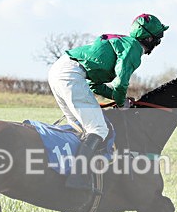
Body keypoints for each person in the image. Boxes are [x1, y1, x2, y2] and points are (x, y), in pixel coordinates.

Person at [48, 13, 168, 192]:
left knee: (81, 129)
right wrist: (120, 103)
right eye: (158, 38)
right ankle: (77, 179)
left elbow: (94, 86)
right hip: (70, 74)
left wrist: (118, 98)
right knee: (99, 129)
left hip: (60, 70)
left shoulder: (125, 43)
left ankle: (65, 174)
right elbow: (120, 83)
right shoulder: (134, 48)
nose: (158, 43)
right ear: (149, 38)